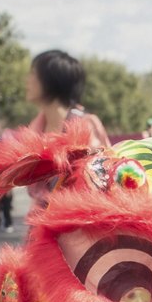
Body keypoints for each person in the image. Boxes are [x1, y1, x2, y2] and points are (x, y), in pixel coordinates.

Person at [24, 50, 110, 210]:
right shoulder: (35, 130)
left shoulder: (86, 125)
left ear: (51, 80)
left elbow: (102, 182)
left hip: (79, 225)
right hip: (40, 225)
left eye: (33, 74)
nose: (27, 80)